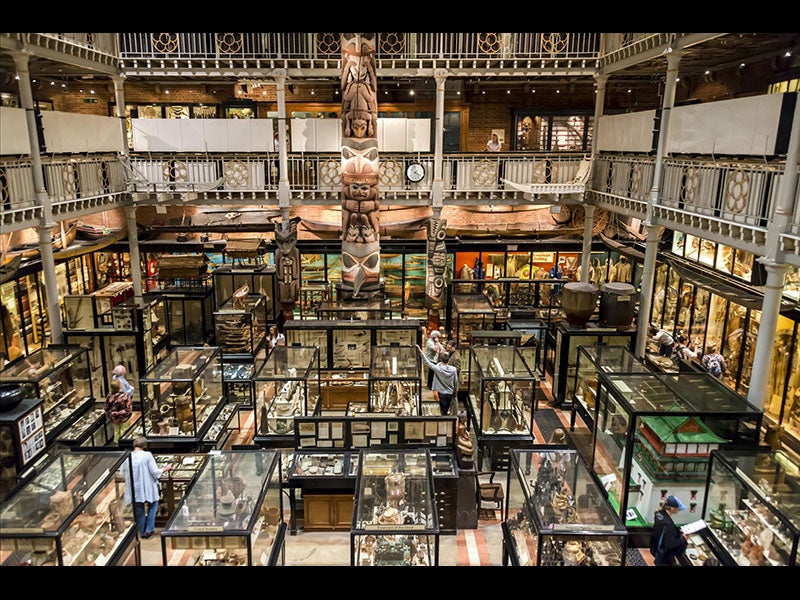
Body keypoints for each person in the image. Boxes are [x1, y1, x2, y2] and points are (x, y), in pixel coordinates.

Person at [124, 436, 171, 539]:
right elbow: (154, 471)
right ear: (144, 445)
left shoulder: (128, 456)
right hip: (147, 485)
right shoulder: (147, 455)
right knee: (153, 505)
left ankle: (142, 530)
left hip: (135, 487)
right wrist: (164, 469)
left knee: (139, 508)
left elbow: (123, 472)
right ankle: (149, 529)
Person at [416, 343, 458, 416]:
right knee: (446, 409)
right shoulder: (453, 369)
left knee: (443, 412)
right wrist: (454, 393)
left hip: (442, 393)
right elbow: (456, 382)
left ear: (441, 360)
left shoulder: (438, 369)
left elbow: (427, 362)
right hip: (450, 393)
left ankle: (444, 424)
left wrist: (420, 351)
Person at [650, 495, 688, 566]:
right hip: (664, 558)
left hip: (655, 548)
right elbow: (670, 545)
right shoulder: (668, 525)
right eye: (678, 509)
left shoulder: (659, 514)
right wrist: (683, 539)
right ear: (672, 509)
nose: (679, 510)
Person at [105, 378, 132, 444]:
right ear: (120, 386)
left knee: (116, 430)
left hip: (114, 418)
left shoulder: (109, 396)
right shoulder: (125, 396)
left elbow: (106, 407)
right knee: (124, 430)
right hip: (124, 417)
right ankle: (124, 444)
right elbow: (128, 408)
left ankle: (116, 444)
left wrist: (109, 415)